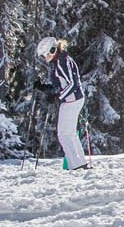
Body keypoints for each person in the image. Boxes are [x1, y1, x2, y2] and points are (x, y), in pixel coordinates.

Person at [36, 36, 94, 171]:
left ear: (52, 50)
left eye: (45, 54)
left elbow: (72, 83)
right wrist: (44, 88)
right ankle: (79, 163)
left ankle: (77, 165)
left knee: (64, 134)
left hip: (72, 100)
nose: (44, 58)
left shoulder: (63, 61)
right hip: (69, 100)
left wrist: (58, 96)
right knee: (68, 134)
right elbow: (61, 84)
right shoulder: (58, 61)